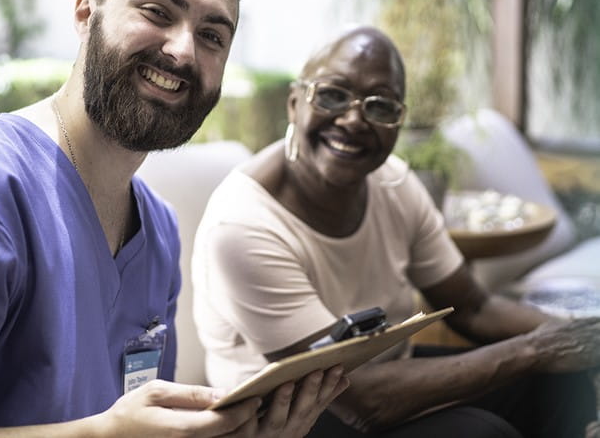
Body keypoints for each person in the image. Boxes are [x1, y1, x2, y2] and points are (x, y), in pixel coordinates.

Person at [0, 0, 349, 436]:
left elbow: (147, 421)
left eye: (212, 36)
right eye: (157, 12)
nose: (183, 51)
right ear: (86, 13)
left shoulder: (157, 233)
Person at [191, 25, 600, 438]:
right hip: (281, 418)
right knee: (481, 432)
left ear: (398, 122)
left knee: (558, 382)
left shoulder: (394, 183)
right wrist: (534, 349)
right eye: (333, 95)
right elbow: (358, 399)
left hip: (380, 373)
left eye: (380, 107)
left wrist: (577, 338)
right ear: (295, 103)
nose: (353, 120)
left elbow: (473, 308)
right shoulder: (243, 226)